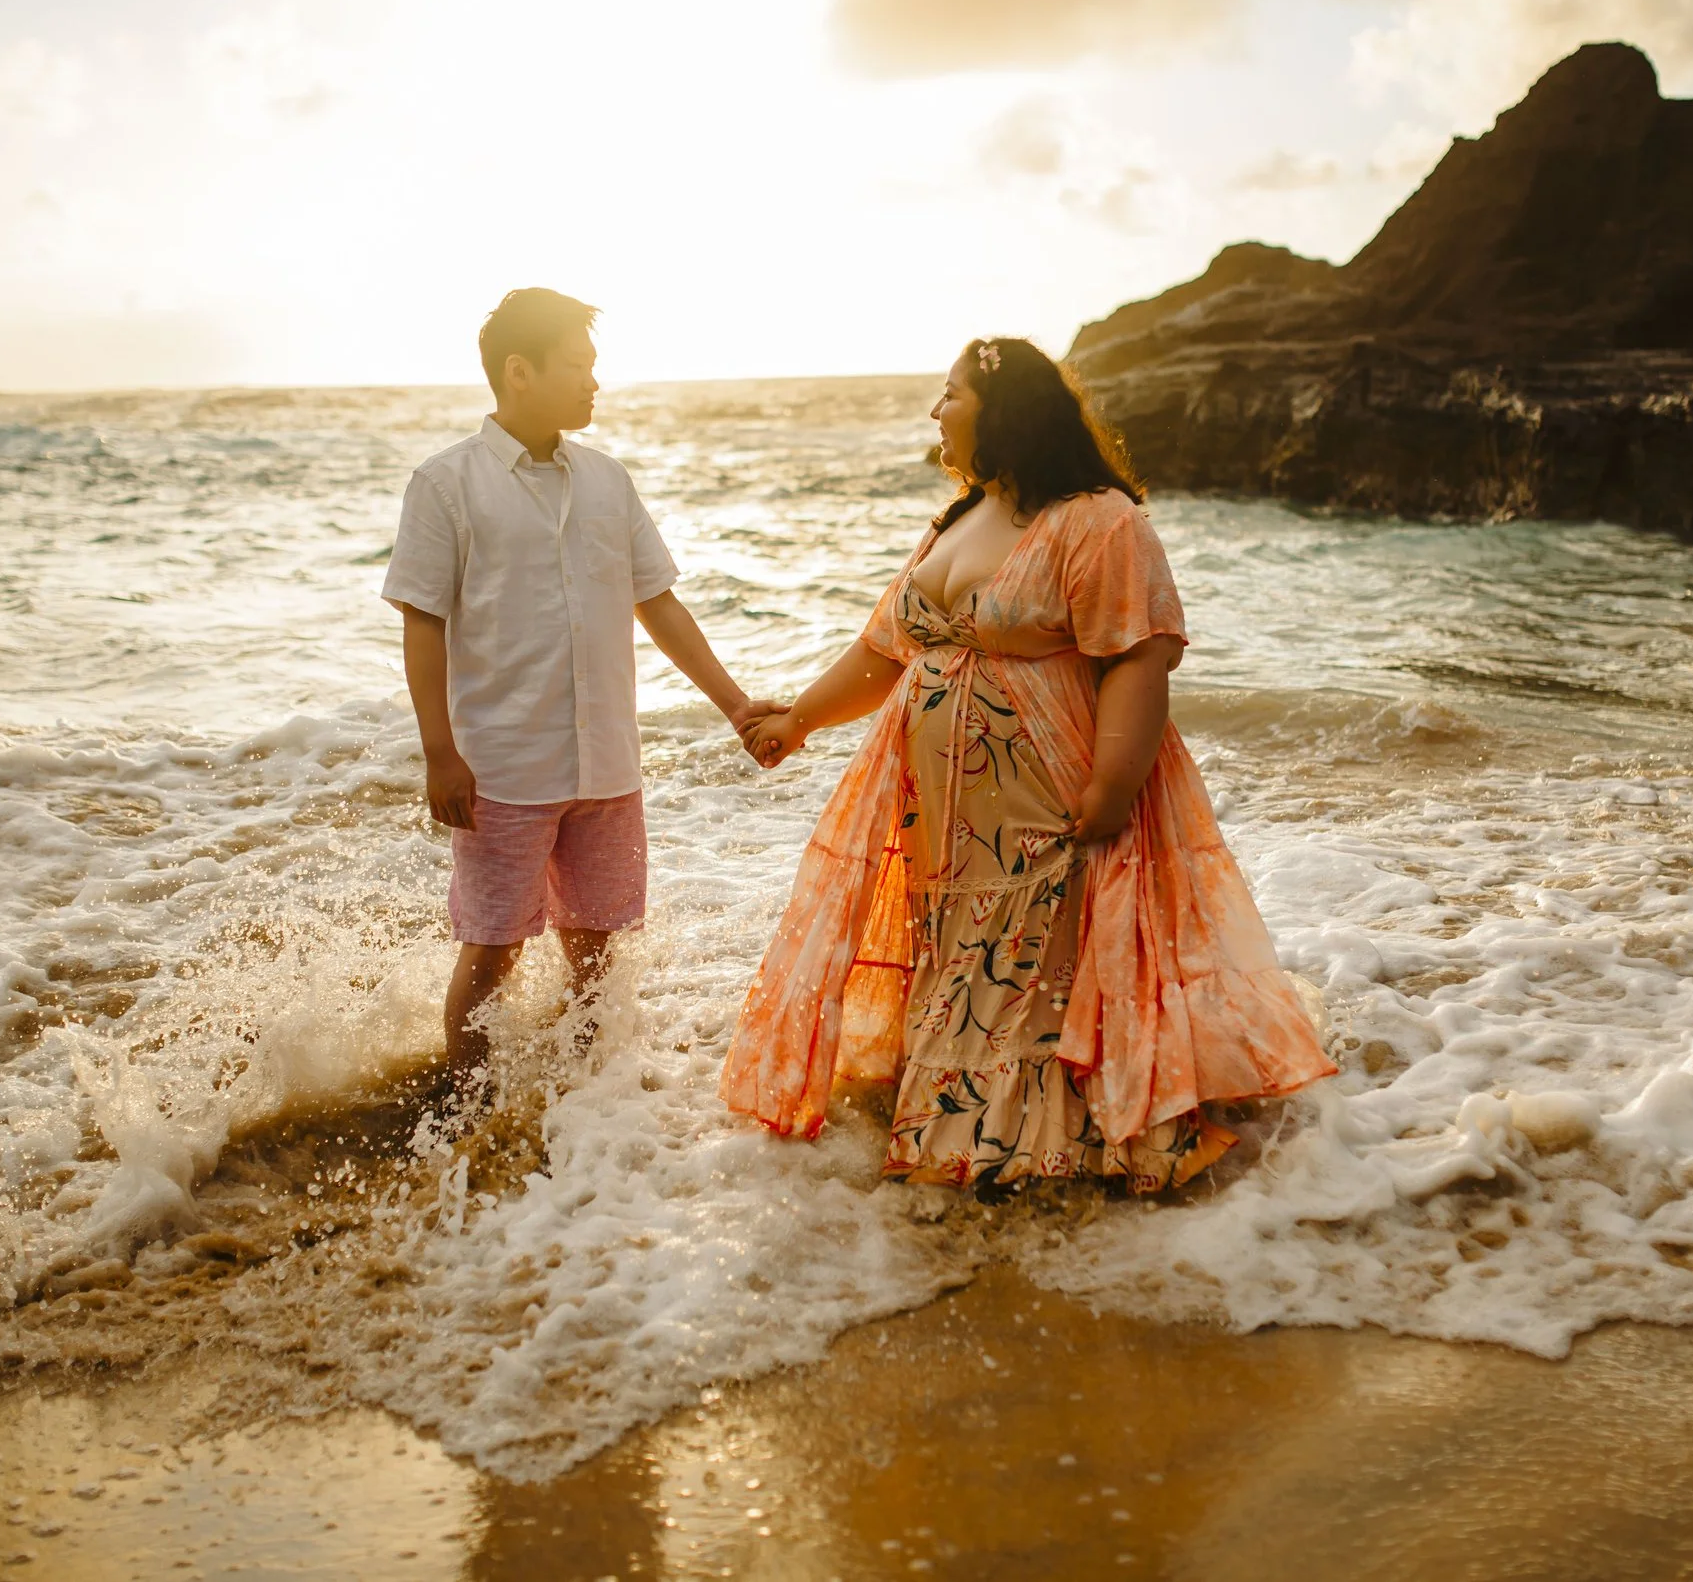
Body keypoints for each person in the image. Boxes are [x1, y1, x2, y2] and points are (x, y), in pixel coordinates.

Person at [723, 336, 1334, 1192]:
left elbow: (1139, 655)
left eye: (950, 394)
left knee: (1032, 960)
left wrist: (1113, 783)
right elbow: (885, 651)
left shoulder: (1097, 520)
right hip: (944, 821)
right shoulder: (960, 516)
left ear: (1003, 412)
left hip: (1049, 794)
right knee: (966, 952)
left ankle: (1033, 1140)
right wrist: (798, 718)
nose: (935, 411)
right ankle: (966, 1118)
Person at [382, 288, 773, 1073]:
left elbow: (656, 602)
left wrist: (736, 706)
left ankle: (587, 1115)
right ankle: (466, 1120)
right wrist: (439, 753)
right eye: (579, 366)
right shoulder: (446, 483)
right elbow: (421, 622)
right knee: (492, 957)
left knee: (596, 957)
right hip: (503, 770)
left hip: (608, 767)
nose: (595, 382)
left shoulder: (606, 480)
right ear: (519, 372)